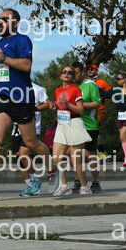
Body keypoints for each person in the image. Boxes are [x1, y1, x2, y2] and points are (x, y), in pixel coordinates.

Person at [0, 8, 55, 198]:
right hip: (3, 97)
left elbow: (26, 66)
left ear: (15, 23)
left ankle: (52, 169)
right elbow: (7, 71)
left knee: (32, 143)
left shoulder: (22, 40)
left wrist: (1, 58)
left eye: (4, 19)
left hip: (22, 98)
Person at [50, 65, 92, 195]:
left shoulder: (76, 89)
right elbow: (60, 107)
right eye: (64, 72)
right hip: (61, 124)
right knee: (56, 158)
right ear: (60, 75)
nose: (67, 74)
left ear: (73, 76)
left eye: (70, 72)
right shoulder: (57, 90)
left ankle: (85, 187)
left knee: (75, 160)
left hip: (75, 124)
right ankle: (64, 186)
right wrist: (54, 106)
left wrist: (68, 103)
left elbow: (80, 109)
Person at [10, 83, 51, 197]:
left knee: (23, 154)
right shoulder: (12, 88)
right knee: (20, 158)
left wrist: (33, 109)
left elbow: (47, 104)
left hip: (32, 128)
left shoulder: (37, 89)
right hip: (16, 129)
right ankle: (30, 184)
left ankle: (36, 180)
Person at [71, 62, 102, 192]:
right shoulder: (72, 86)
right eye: (72, 73)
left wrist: (80, 105)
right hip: (74, 124)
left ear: (82, 72)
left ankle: (96, 181)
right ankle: (79, 180)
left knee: (89, 154)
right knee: (73, 153)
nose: (74, 76)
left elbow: (97, 103)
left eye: (76, 73)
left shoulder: (91, 85)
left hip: (89, 124)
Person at [100, 72, 126, 169]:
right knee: (124, 138)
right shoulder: (116, 90)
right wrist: (93, 85)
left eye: (119, 79)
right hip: (121, 116)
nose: (117, 81)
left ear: (125, 79)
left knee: (123, 136)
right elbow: (104, 94)